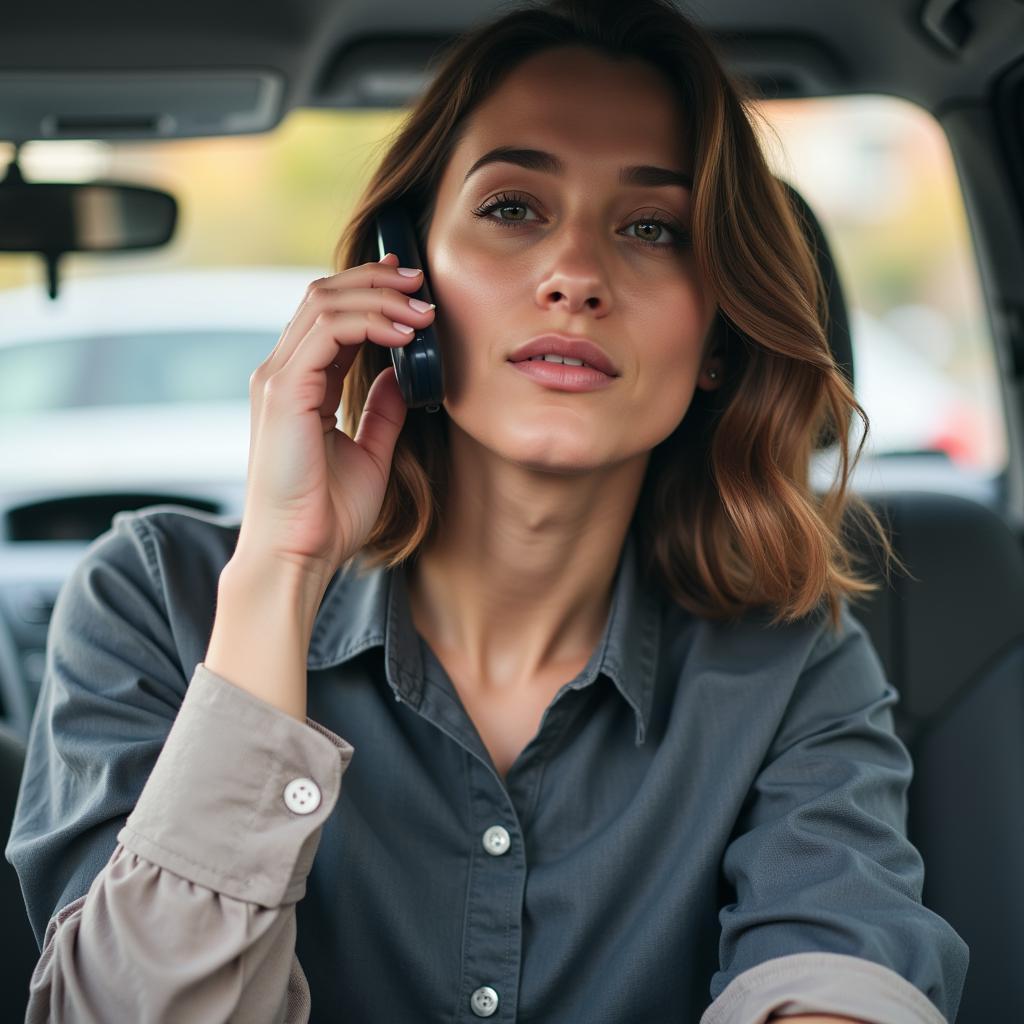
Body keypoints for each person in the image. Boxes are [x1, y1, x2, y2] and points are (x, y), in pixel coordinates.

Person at [6, 0, 969, 1021]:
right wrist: (281, 571)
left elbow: (837, 971)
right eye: (514, 208)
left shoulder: (790, 667)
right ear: (403, 275)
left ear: (718, 337)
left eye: (651, 228)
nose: (575, 277)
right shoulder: (150, 601)